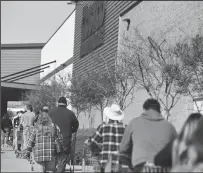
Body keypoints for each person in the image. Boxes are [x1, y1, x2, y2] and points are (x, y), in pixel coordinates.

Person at [119, 99, 177, 172]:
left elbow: (123, 150)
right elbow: (177, 151)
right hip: (164, 168)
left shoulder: (134, 123)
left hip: (141, 167)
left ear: (144, 109)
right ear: (159, 110)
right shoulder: (170, 127)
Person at [86, 104, 126, 173]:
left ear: (109, 116)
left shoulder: (103, 127)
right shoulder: (125, 127)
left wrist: (97, 153)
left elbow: (93, 141)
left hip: (106, 162)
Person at [49, 97, 79, 172]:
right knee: (62, 162)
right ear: (66, 104)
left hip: (52, 141)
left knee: (53, 161)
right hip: (65, 141)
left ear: (58, 103)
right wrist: (71, 130)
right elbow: (76, 124)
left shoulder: (51, 112)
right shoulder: (70, 113)